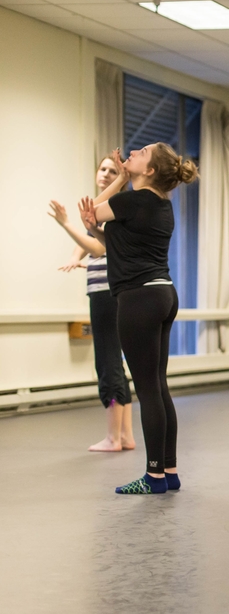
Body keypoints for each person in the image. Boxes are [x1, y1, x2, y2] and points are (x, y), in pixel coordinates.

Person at [79, 145, 197, 494]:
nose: (132, 151)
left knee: (147, 390)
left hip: (138, 299)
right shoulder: (161, 206)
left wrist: (119, 179)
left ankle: (153, 477)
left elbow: (92, 210)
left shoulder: (131, 200)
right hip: (163, 295)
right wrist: (96, 227)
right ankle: (169, 472)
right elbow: (111, 243)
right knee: (158, 387)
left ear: (148, 171)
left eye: (141, 152)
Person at [47, 157, 134, 452]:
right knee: (116, 362)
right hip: (107, 291)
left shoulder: (115, 205)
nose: (106, 174)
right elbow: (88, 235)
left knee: (107, 362)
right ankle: (125, 435)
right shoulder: (107, 205)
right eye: (103, 169)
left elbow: (96, 242)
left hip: (106, 293)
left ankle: (113, 438)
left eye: (113, 170)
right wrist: (74, 258)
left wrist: (65, 223)